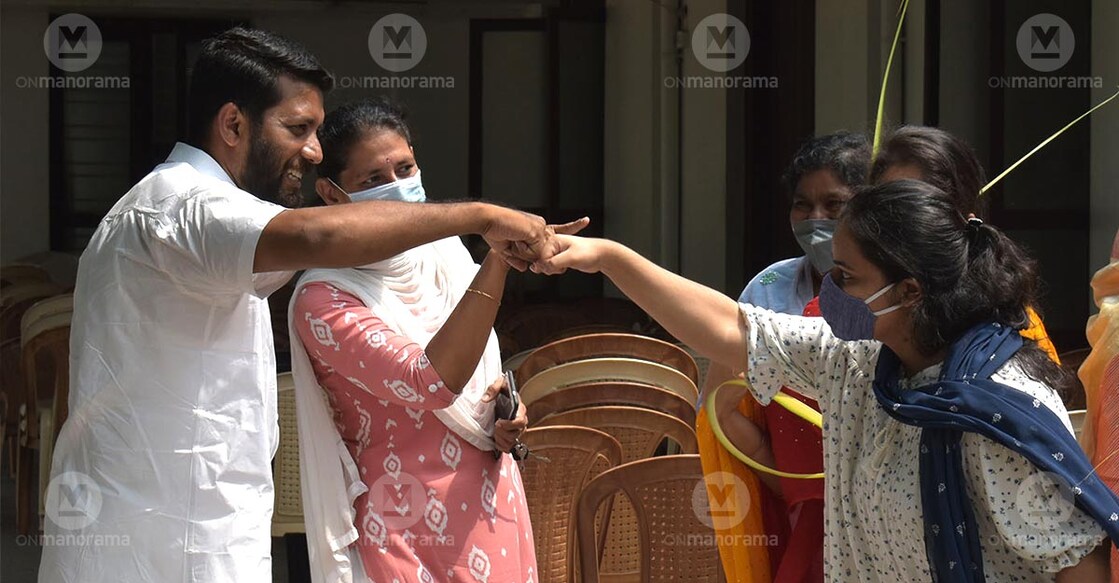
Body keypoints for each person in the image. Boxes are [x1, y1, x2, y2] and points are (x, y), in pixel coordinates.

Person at [39, 29, 565, 583]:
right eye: (298, 129)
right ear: (234, 125)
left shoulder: (208, 219)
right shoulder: (183, 209)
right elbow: (319, 241)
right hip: (158, 542)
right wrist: (483, 218)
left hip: (197, 530)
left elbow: (339, 248)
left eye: (405, 170)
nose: (314, 152)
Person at [533, 180, 1117, 581]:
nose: (827, 294)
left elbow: (1076, 557)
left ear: (909, 290)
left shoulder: (996, 408)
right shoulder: (859, 360)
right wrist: (607, 257)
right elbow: (730, 328)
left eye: (846, 276)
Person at [289, 98, 549, 582]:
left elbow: (477, 380)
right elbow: (429, 382)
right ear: (330, 193)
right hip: (402, 528)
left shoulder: (446, 255)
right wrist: (498, 260)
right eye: (372, 180)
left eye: (405, 168)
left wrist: (504, 412)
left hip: (492, 506)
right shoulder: (324, 298)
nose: (397, 187)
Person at [698, 132, 870, 582]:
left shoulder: (897, 294)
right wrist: (796, 485)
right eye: (802, 204)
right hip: (792, 510)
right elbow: (719, 406)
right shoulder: (766, 291)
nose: (816, 220)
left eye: (834, 206)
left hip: (881, 512)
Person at [870, 125, 1060, 362]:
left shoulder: (1011, 326)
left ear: (964, 219)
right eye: (890, 207)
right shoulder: (848, 309)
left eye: (922, 208)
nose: (904, 223)